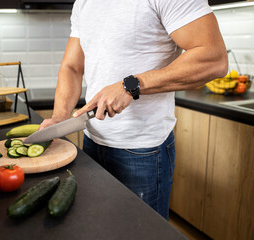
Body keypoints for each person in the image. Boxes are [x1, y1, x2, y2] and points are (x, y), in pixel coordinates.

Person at [39, 0, 228, 220]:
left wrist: (130, 85)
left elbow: (214, 59)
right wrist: (60, 118)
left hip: (143, 151)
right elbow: (72, 67)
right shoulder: (84, 2)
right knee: (97, 228)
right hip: (92, 141)